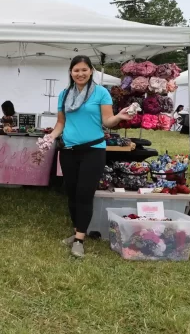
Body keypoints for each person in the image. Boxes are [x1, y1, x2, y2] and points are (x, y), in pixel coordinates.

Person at [48, 55, 133, 258]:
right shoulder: (64, 94)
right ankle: (78, 229)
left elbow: (107, 121)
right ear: (70, 72)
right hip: (68, 151)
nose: (80, 73)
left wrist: (119, 117)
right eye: (76, 70)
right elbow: (61, 123)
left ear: (91, 71)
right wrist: (49, 137)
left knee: (85, 194)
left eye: (84, 70)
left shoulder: (101, 93)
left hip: (93, 151)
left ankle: (79, 239)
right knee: (72, 194)